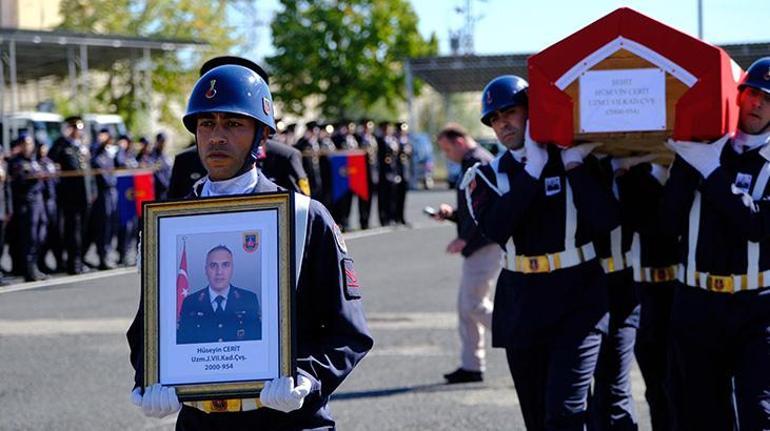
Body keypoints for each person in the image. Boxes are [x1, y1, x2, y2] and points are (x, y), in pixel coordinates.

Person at [126, 59, 373, 430]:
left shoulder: (304, 217)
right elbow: (151, 321)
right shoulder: (171, 224)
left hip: (288, 420)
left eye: (234, 124)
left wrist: (307, 377)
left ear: (261, 135)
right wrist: (148, 376)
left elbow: (348, 330)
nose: (217, 137)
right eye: (206, 124)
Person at [466, 75, 617, 429]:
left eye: (510, 112)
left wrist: (575, 167)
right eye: (494, 118)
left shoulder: (572, 160)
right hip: (522, 300)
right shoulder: (485, 175)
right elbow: (496, 227)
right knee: (537, 417)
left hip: (578, 294)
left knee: (565, 411)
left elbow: (606, 219)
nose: (502, 123)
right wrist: (532, 170)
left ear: (531, 112)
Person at [662, 57, 770, 430]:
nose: (757, 103)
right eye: (752, 93)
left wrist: (711, 171)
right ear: (737, 96)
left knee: (759, 412)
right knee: (700, 413)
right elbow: (666, 223)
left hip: (757, 307)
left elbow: (757, 224)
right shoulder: (704, 147)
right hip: (696, 302)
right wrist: (684, 163)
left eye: (768, 99)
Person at [435, 123, 501, 383]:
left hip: (483, 244)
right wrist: (452, 214)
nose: (446, 155)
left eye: (447, 148)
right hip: (481, 242)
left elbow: (484, 208)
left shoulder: (478, 163)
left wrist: (464, 237)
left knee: (473, 304)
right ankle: (472, 364)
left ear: (460, 141)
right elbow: (472, 207)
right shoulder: (475, 161)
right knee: (466, 307)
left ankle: (521, 335)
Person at [177, 245, 261, 344]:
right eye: (213, 265)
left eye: (225, 265)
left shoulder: (248, 300)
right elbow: (183, 345)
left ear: (232, 268)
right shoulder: (191, 303)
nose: (219, 272)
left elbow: (257, 343)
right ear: (206, 270)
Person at [48, 116, 92, 274]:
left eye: (79, 129)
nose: (77, 132)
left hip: (84, 196)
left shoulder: (82, 148)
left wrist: (91, 192)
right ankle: (73, 263)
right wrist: (63, 138)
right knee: (72, 231)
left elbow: (88, 173)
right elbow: (51, 160)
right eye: (74, 128)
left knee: (83, 231)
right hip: (70, 197)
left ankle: (79, 260)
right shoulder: (62, 145)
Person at [7, 134, 47, 281]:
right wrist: (35, 177)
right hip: (27, 203)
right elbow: (20, 182)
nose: (28, 147)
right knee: (29, 238)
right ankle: (29, 270)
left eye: (30, 144)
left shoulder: (34, 161)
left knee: (40, 236)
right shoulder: (17, 162)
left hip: (38, 202)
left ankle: (35, 266)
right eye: (25, 144)